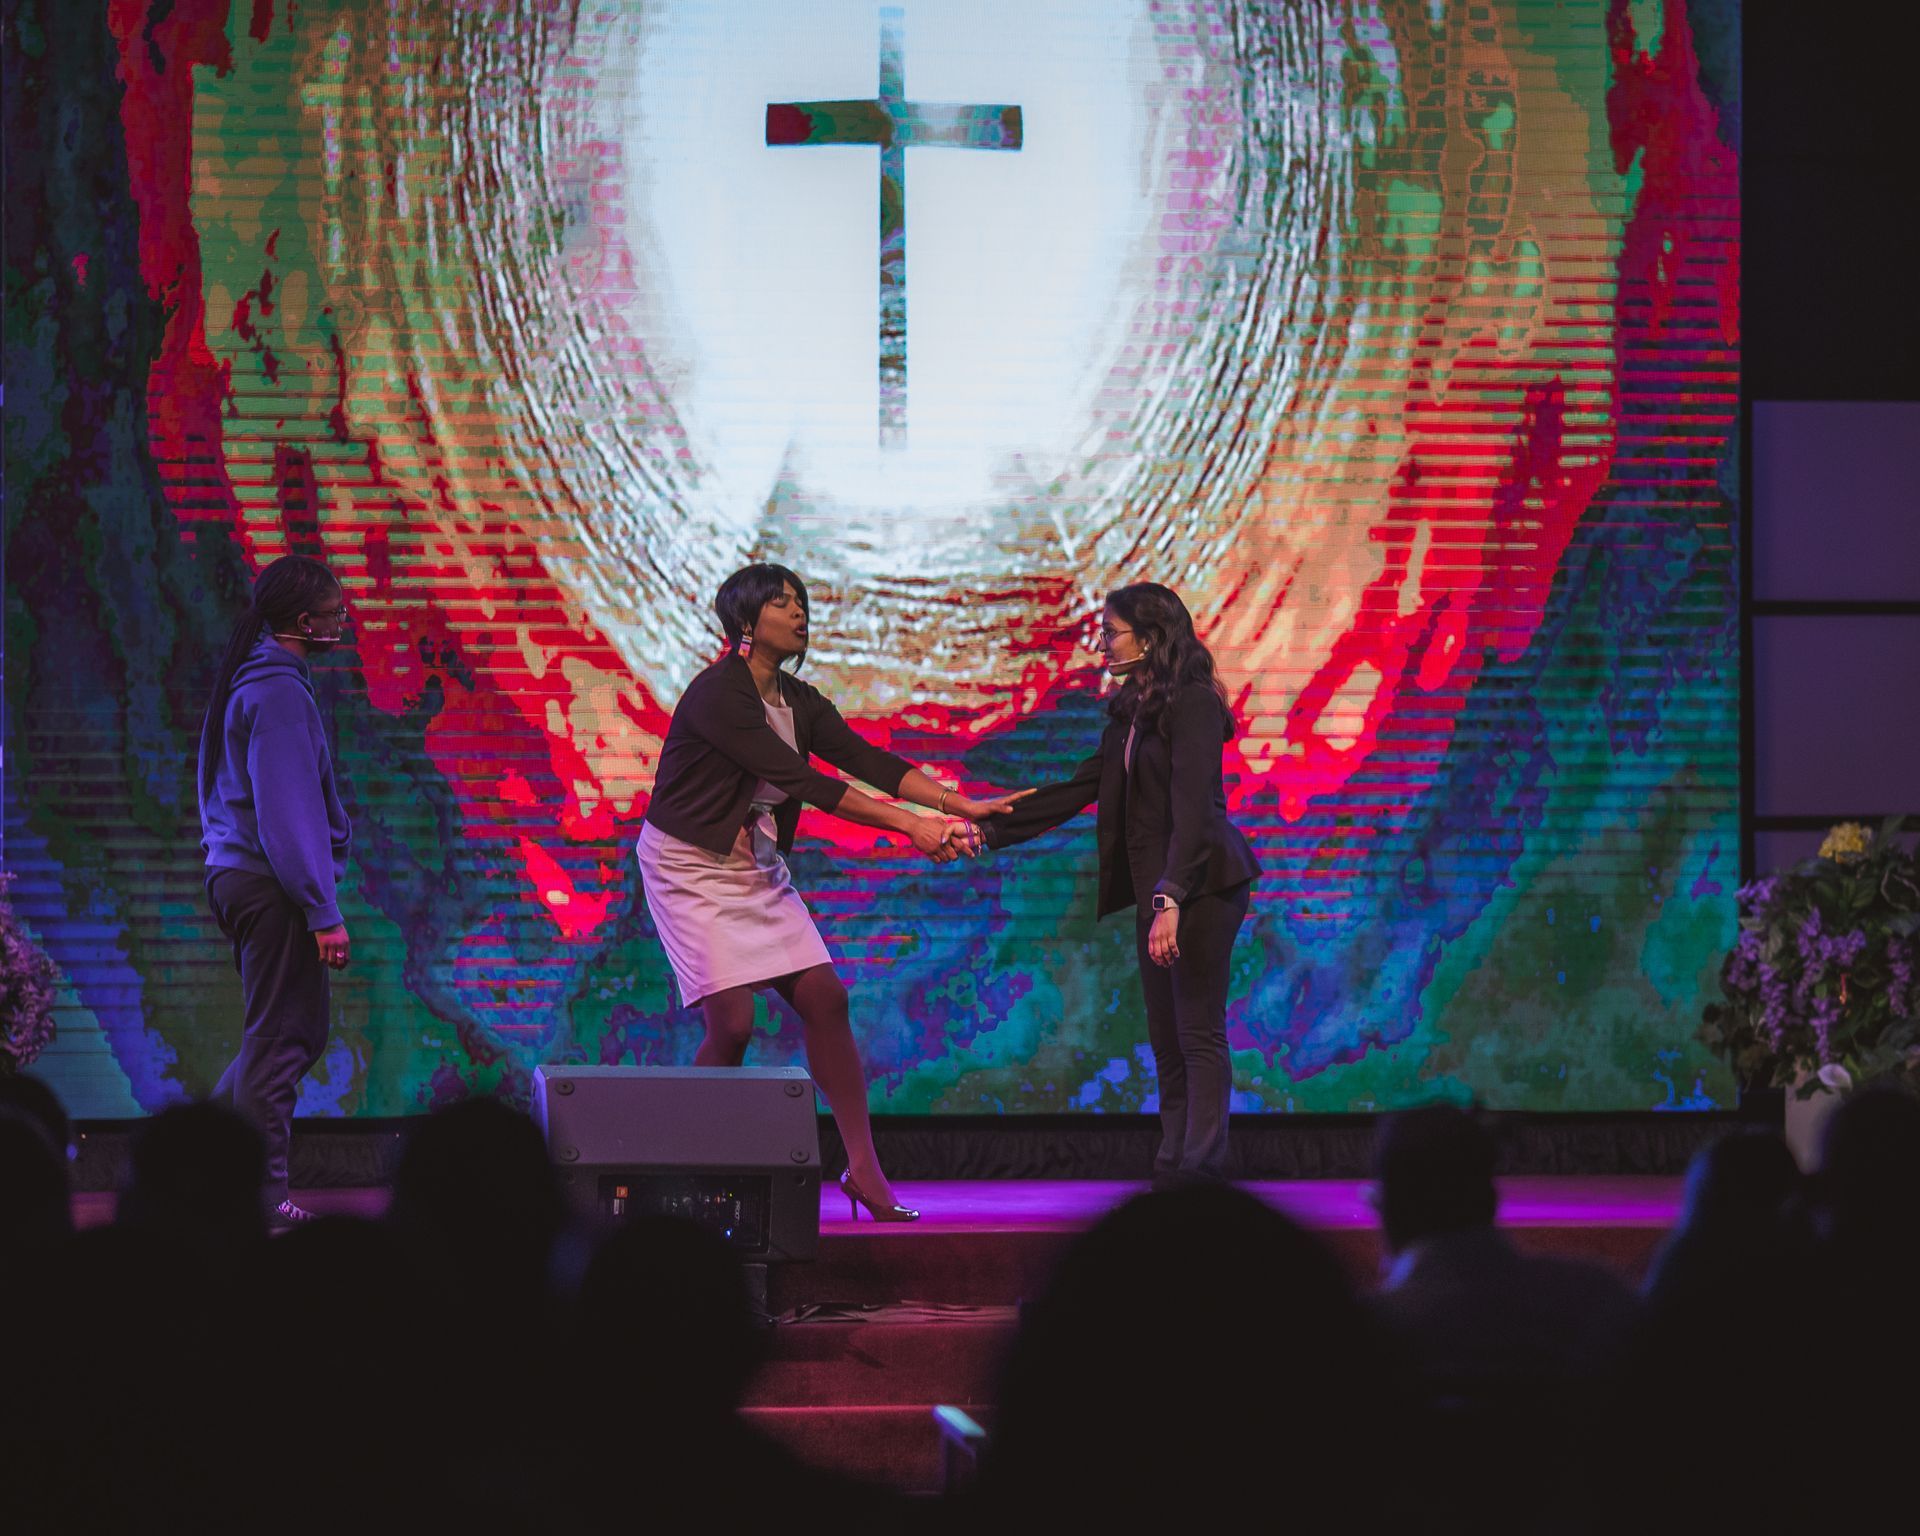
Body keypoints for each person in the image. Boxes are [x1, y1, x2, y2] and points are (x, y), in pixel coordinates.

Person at [638, 563, 1027, 1221]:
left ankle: (864, 1170)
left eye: (800, 604)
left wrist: (960, 804)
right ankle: (683, 1172)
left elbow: (865, 760)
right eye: (782, 604)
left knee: (825, 997)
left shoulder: (800, 701)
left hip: (752, 865)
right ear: (745, 622)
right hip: (689, 868)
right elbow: (805, 782)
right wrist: (911, 827)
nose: (799, 614)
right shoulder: (718, 696)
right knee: (732, 1024)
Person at [971, 583, 1257, 1182]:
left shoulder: (1194, 703)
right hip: (1163, 895)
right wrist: (984, 827)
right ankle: (1173, 1166)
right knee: (1167, 1039)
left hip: (1198, 887)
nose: (1102, 643)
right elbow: (1079, 790)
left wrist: (1171, 896)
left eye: (1112, 632)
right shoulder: (1133, 710)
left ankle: (1200, 1173)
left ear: (1149, 639)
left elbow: (1196, 812)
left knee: (1197, 1031)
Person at [197, 553, 353, 1227]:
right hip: (270, 885)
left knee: (282, 1035)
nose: (341, 621)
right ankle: (260, 1200)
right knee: (283, 1040)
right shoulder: (278, 691)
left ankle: (198, 1159)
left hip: (243, 879)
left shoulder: (256, 679)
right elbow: (287, 815)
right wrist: (322, 910)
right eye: (334, 614)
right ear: (301, 621)